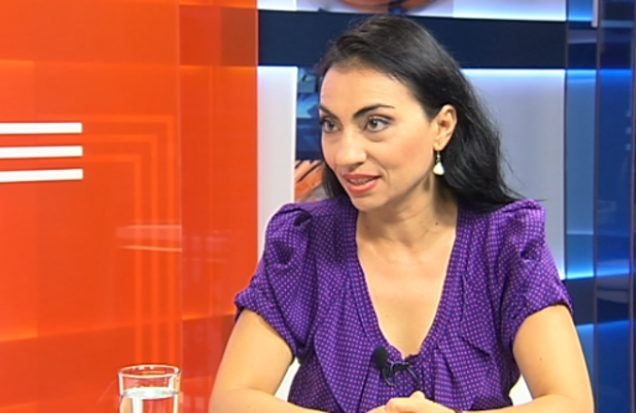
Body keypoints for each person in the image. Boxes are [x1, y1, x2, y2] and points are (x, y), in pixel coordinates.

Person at [209, 15, 593, 413]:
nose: (345, 154)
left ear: (442, 127)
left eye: (375, 123)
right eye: (331, 125)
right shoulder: (305, 241)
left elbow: (571, 403)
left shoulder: (505, 242)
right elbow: (232, 400)